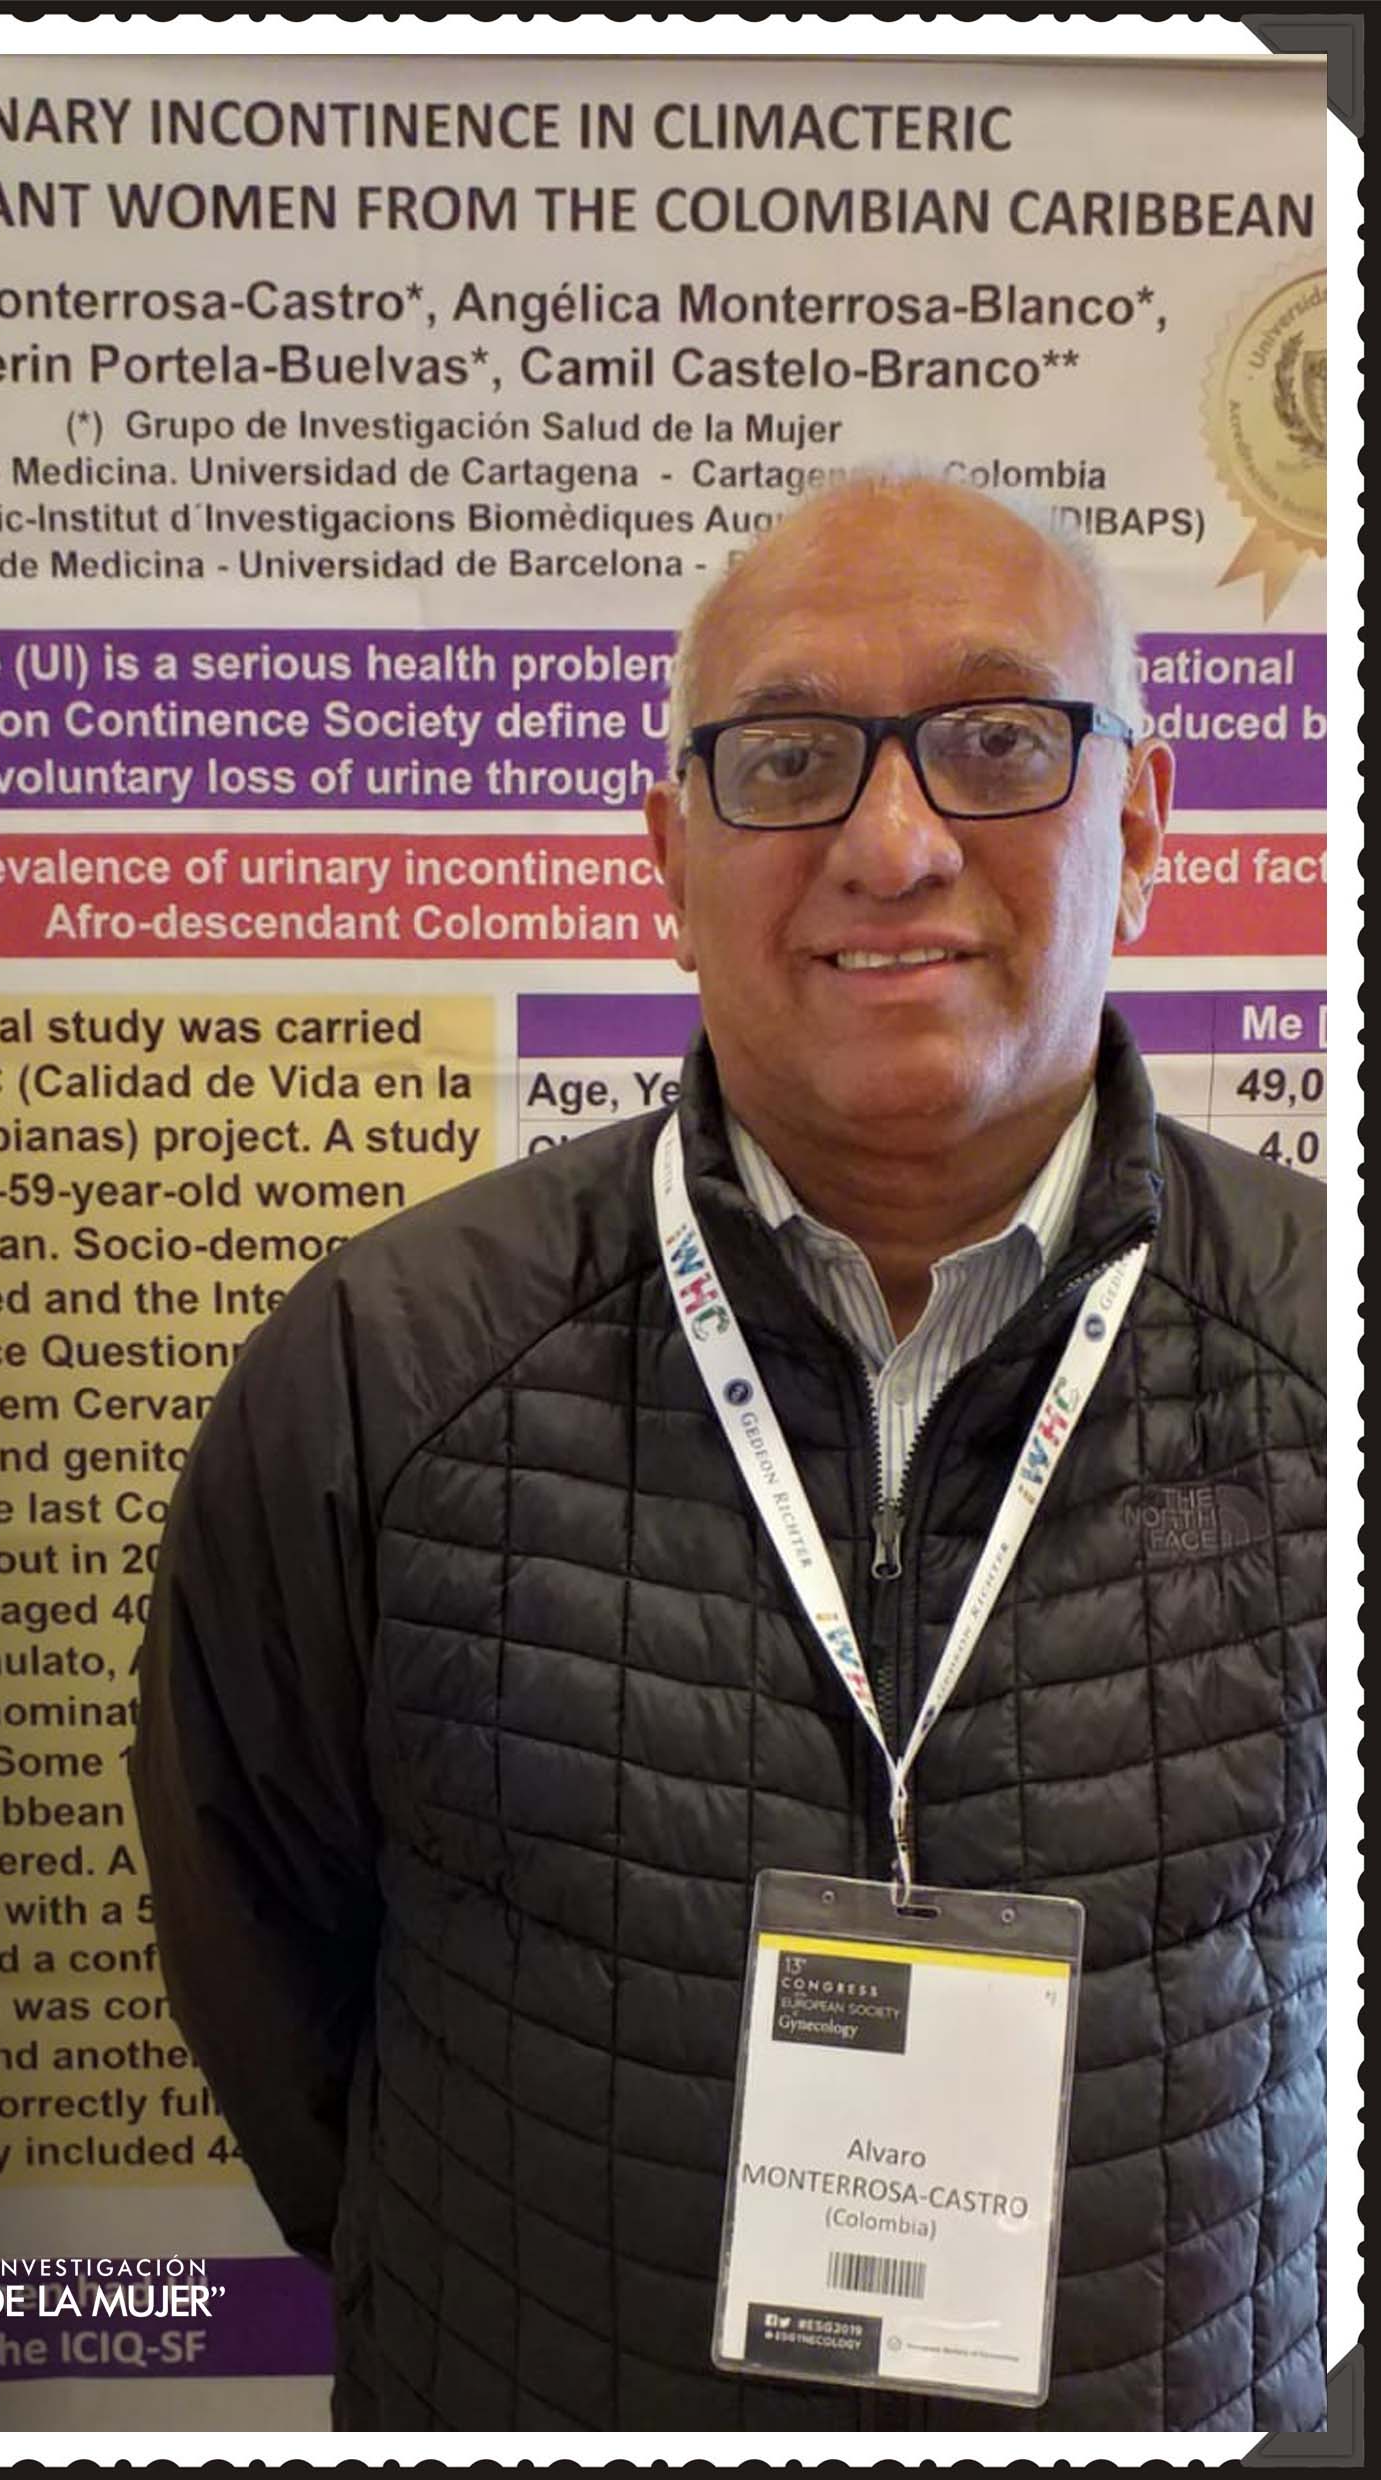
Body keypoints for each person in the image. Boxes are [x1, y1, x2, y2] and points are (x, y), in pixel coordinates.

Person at [132, 473, 1326, 2433]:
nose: (891, 842)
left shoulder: (1323, 1348)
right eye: (786, 759)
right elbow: (271, 1969)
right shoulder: (381, 1367)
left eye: (996, 742)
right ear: (667, 860)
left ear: (1136, 828)